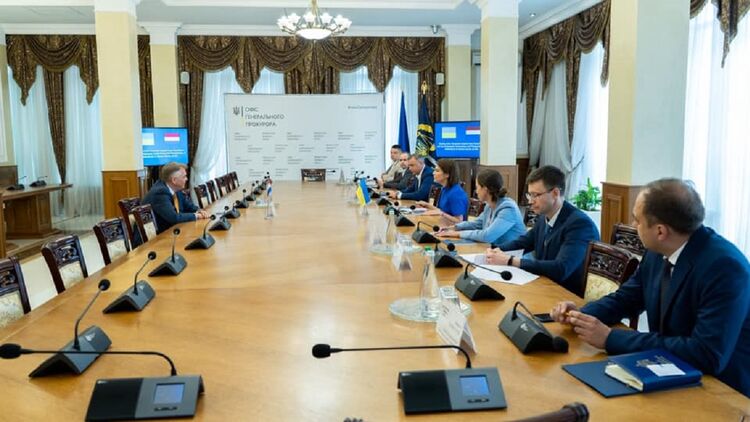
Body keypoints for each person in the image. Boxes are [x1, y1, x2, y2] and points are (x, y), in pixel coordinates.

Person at [551, 178, 750, 397]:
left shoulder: (725, 267)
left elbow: (706, 353)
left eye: (637, 220)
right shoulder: (658, 251)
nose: (632, 225)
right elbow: (626, 298)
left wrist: (610, 338)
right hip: (669, 370)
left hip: (722, 391)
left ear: (660, 231)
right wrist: (580, 316)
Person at [486, 165, 598, 296]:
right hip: (542, 285)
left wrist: (510, 260)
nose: (530, 201)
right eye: (529, 195)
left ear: (555, 193)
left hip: (565, 296)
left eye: (536, 195)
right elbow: (524, 242)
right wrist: (495, 249)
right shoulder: (544, 216)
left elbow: (561, 269)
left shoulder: (580, 225)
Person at [437, 168, 525, 244]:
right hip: (495, 252)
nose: (476, 191)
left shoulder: (508, 209)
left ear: (485, 189)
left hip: (513, 255)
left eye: (477, 187)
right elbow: (476, 224)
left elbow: (487, 236)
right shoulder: (489, 205)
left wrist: (457, 234)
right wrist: (454, 228)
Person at [143, 162, 209, 234]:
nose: (186, 179)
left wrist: (199, 211)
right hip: (159, 236)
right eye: (184, 177)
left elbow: (189, 206)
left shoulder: (175, 188)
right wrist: (196, 216)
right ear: (174, 180)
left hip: (172, 230)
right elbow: (174, 218)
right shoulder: (160, 193)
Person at [415, 158, 469, 223]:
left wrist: (441, 214)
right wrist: (427, 205)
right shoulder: (444, 189)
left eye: (437, 171)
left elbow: (459, 221)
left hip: (453, 228)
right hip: (444, 224)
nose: (433, 173)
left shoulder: (456, 193)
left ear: (447, 174)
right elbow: (442, 211)